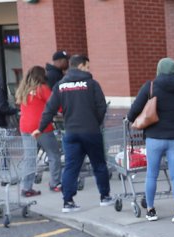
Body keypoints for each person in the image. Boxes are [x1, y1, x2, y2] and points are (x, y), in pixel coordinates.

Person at [34, 54, 113, 213]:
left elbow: (49, 110)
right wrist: (94, 122)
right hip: (91, 132)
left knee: (71, 167)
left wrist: (40, 128)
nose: (89, 69)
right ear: (81, 66)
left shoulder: (60, 86)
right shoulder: (92, 84)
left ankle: (68, 202)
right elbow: (101, 107)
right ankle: (105, 197)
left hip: (70, 132)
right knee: (98, 164)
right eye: (87, 66)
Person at [127, 58, 174, 223]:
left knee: (152, 175)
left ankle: (150, 211)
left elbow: (132, 113)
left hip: (154, 138)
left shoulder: (150, 86)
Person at [16, 66, 62, 197]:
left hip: (25, 127)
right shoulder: (42, 88)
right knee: (54, 155)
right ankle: (55, 184)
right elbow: (55, 104)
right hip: (41, 127)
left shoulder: (23, 90)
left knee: (30, 158)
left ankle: (26, 188)